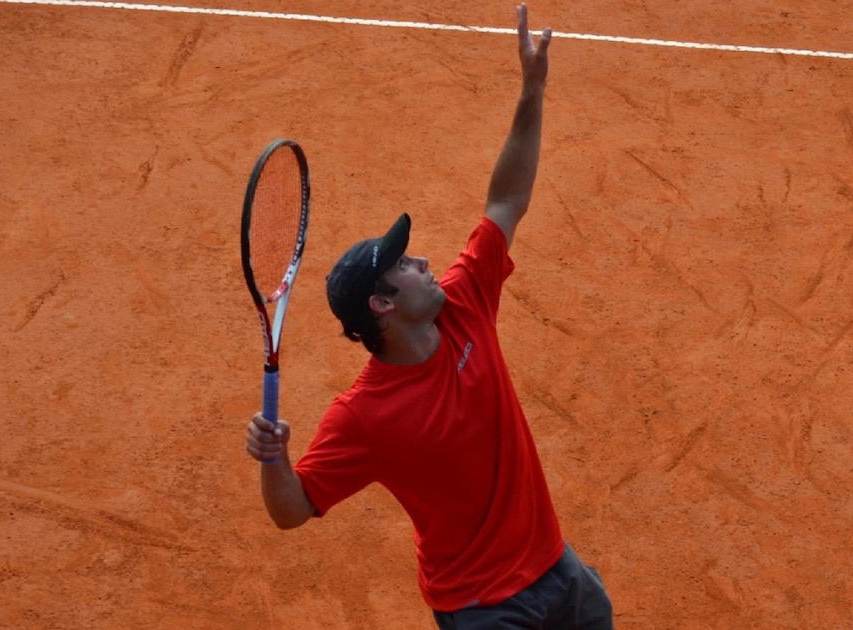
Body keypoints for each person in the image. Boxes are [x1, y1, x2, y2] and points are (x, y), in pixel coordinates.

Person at [246, 4, 613, 628]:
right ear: (383, 305)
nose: (422, 259)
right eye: (404, 265)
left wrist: (532, 90)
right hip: (483, 610)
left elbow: (507, 198)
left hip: (558, 569)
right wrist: (273, 459)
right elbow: (293, 509)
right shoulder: (363, 418)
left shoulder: (465, 300)